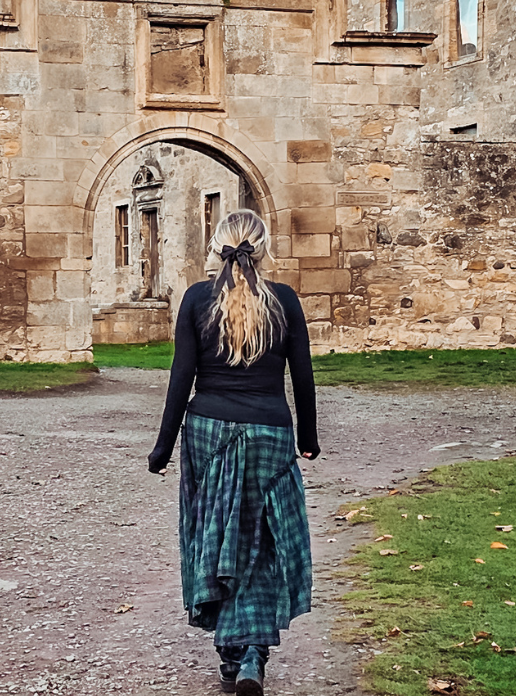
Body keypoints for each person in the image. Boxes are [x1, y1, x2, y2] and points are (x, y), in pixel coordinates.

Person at [148, 208, 320, 696]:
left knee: (214, 531)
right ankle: (252, 653)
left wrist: (163, 445)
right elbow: (302, 378)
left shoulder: (197, 299)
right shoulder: (284, 300)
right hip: (269, 431)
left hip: (208, 429)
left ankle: (229, 654)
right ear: (263, 250)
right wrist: (307, 437)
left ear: (216, 246)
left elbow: (181, 377)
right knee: (262, 539)